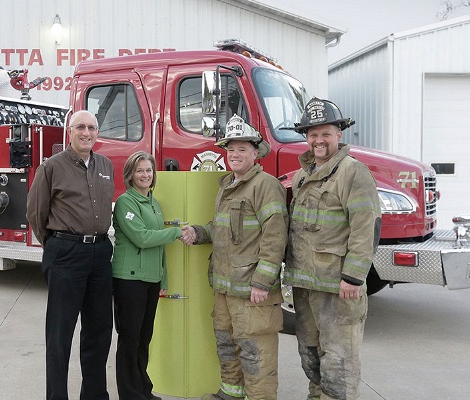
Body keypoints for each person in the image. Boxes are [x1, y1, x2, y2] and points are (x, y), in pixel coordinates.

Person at [182, 114, 288, 400]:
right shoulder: (227, 184)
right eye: (231, 149)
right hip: (225, 287)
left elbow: (275, 237)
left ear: (256, 153)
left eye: (242, 149)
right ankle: (230, 393)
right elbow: (222, 228)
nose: (235, 154)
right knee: (227, 346)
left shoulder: (265, 185)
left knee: (256, 353)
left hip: (251, 290)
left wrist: (263, 283)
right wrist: (197, 232)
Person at [285, 97, 382, 400]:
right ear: (306, 137)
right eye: (312, 134)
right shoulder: (303, 176)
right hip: (305, 284)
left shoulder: (353, 172)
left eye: (325, 133)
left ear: (339, 134)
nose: (319, 140)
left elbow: (366, 226)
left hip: (337, 287)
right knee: (310, 355)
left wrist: (353, 277)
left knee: (339, 361)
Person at [26, 110, 115, 400]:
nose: (86, 132)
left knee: (100, 330)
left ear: (97, 132)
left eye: (91, 127)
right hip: (66, 253)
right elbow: (36, 214)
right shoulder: (52, 167)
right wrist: (56, 246)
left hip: (100, 253)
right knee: (60, 334)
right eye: (80, 127)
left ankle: (94, 395)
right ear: (70, 131)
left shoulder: (105, 165)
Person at [112, 151, 184, 400]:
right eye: (140, 170)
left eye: (149, 170)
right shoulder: (125, 202)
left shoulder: (154, 203)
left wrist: (162, 278)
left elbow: (159, 247)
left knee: (144, 338)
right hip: (129, 280)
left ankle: (143, 389)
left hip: (151, 280)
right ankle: (130, 394)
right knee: (129, 339)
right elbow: (142, 238)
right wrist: (176, 233)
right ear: (130, 174)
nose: (145, 175)